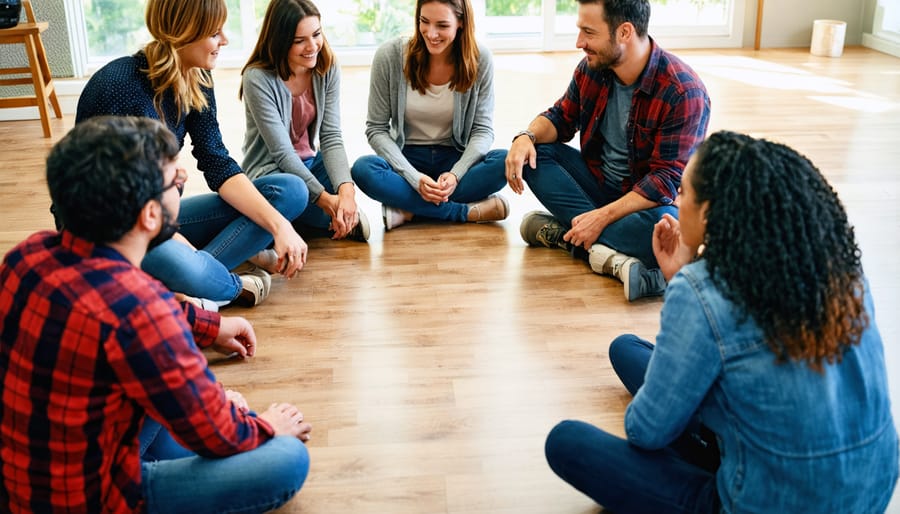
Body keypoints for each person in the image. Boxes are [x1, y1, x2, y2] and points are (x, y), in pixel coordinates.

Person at [544, 131, 899, 513]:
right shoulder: (840, 272)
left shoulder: (704, 290)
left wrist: (683, 281)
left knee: (566, 441)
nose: (674, 202)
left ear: (710, 214)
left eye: (682, 192)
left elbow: (645, 431)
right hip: (872, 491)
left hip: (763, 504)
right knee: (626, 350)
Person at [0, 116, 313, 513]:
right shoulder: (144, 310)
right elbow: (217, 435)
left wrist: (211, 327)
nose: (182, 180)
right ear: (150, 215)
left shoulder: (27, 255)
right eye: (174, 182)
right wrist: (268, 426)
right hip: (95, 496)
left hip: (25, 474)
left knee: (207, 412)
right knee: (286, 458)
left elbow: (119, 321)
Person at [74, 0, 310, 308]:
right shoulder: (118, 87)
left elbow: (216, 161)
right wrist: (185, 249)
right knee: (177, 261)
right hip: (114, 230)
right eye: (215, 33)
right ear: (185, 33)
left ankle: (195, 285)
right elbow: (110, 204)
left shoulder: (197, 77)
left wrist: (281, 227)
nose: (224, 40)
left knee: (291, 192)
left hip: (160, 215)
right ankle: (220, 285)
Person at [506, 0, 710, 301]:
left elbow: (666, 180)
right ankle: (611, 256)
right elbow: (561, 118)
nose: (579, 43)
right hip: (597, 186)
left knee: (665, 226)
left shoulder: (683, 92)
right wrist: (525, 137)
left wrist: (601, 218)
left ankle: (570, 238)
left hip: (644, 206)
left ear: (624, 32)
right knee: (534, 158)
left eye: (588, 32)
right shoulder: (593, 68)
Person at [351, 0, 509, 232]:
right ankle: (465, 212)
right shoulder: (390, 56)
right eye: (424, 22)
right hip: (407, 160)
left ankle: (409, 209)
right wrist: (414, 179)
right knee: (363, 169)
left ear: (461, 23)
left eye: (442, 26)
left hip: (454, 159)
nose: (431, 34)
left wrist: (456, 175)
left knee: (505, 161)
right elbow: (376, 129)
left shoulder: (480, 58)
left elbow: (482, 130)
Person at [241, 0, 370, 246]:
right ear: (280, 40)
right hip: (272, 172)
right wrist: (325, 199)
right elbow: (282, 153)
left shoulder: (327, 67)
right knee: (294, 192)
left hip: (310, 164)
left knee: (344, 174)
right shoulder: (257, 78)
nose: (312, 47)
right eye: (299, 41)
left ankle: (303, 220)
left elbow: (331, 136)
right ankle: (322, 218)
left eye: (317, 34)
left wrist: (346, 192)